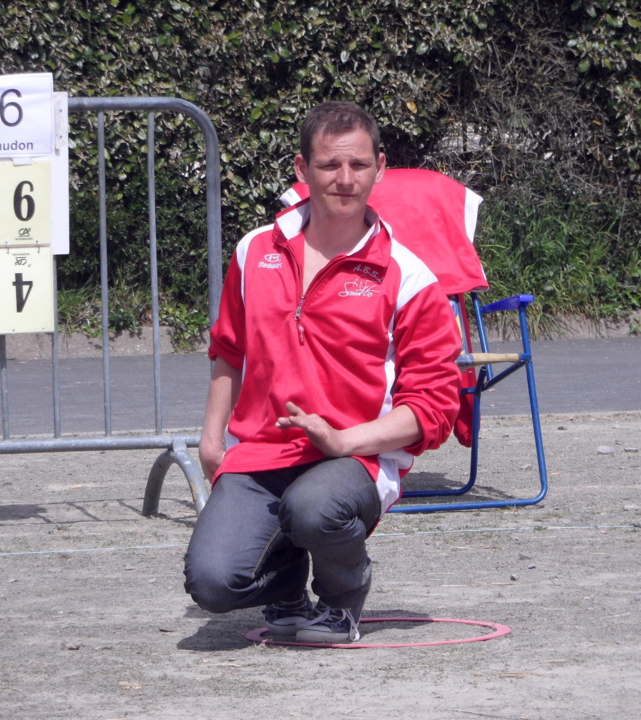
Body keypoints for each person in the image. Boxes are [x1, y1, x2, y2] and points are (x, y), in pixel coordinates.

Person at [183, 101, 462, 643]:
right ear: (301, 169)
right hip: (263, 452)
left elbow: (435, 407)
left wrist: (343, 440)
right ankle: (286, 588)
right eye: (330, 165)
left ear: (380, 167)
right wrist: (211, 437)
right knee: (213, 583)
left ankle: (342, 599)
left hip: (357, 459)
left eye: (358, 165)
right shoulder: (253, 251)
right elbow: (228, 349)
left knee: (313, 508)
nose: (345, 179)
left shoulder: (408, 275)